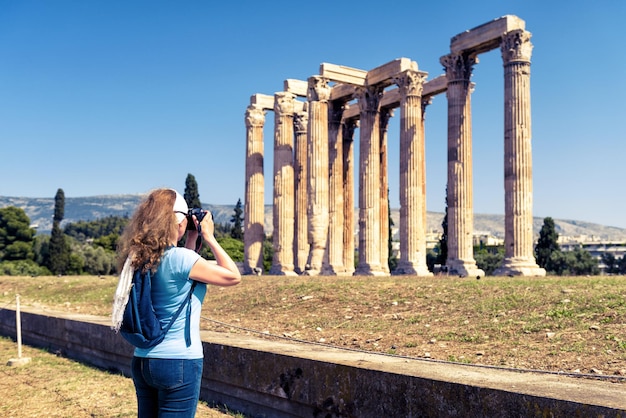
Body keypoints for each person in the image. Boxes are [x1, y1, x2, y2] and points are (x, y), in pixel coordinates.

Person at [114, 188, 241, 417]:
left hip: (143, 360)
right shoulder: (182, 260)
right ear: (179, 223)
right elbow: (233, 276)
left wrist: (191, 238)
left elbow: (181, 276)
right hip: (179, 361)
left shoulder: (142, 257)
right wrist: (209, 237)